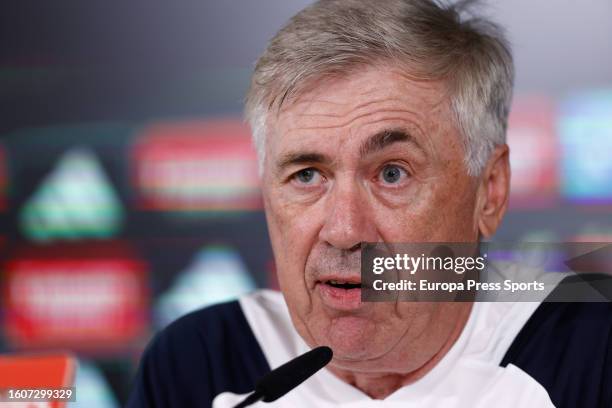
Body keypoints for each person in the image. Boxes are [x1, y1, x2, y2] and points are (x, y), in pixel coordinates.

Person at [127, 1, 612, 407]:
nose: (343, 230)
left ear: (490, 191)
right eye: (307, 175)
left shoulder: (591, 349)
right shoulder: (200, 363)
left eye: (392, 173)